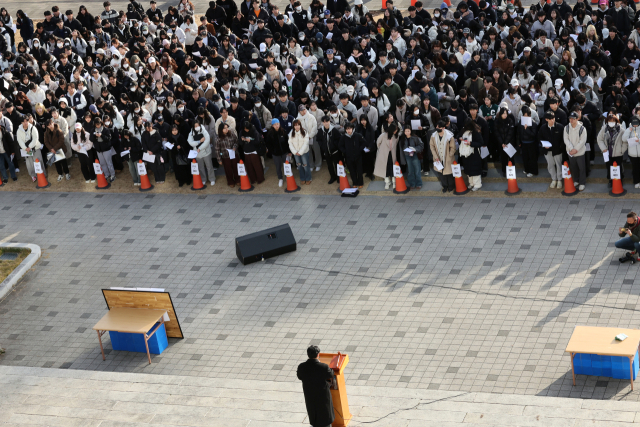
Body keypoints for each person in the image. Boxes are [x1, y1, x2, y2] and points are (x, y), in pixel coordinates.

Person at [297, 345, 335, 427]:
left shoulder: (302, 367)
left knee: (314, 416)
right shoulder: (323, 367)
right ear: (318, 355)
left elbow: (300, 377)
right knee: (325, 418)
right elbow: (331, 373)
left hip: (310, 396)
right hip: (323, 397)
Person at [538, 111, 565, 190]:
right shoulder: (543, 127)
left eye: (553, 118)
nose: (552, 120)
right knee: (550, 165)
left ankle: (559, 179)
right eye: (550, 119)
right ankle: (554, 179)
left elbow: (563, 140)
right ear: (546, 119)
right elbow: (539, 138)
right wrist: (543, 145)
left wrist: (560, 147)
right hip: (547, 151)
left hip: (558, 150)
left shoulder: (560, 127)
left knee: (559, 165)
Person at [430, 120, 456, 193]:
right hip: (438, 158)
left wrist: (449, 156)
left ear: (443, 128)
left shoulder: (449, 136)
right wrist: (435, 156)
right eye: (436, 126)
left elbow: (453, 148)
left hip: (448, 158)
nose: (437, 128)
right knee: (441, 174)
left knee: (449, 174)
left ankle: (451, 186)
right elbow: (431, 146)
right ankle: (445, 186)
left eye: (439, 127)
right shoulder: (433, 136)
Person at [17, 115, 45, 182]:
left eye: (26, 121)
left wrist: (30, 146)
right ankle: (33, 175)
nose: (25, 123)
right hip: (26, 150)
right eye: (23, 122)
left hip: (35, 147)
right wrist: (25, 148)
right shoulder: (19, 130)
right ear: (21, 122)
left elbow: (35, 138)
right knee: (29, 163)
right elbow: (19, 140)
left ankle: (43, 174)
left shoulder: (33, 128)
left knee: (38, 161)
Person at [564, 111, 588, 191]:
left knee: (581, 168)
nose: (571, 120)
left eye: (573, 119)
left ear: (577, 119)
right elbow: (566, 139)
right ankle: (576, 180)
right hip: (570, 152)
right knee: (573, 167)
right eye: (570, 118)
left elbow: (582, 141)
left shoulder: (582, 128)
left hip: (580, 152)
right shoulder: (566, 128)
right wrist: (571, 149)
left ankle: (582, 183)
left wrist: (576, 149)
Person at [458, 118, 484, 191]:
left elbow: (480, 143)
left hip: (474, 153)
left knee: (475, 170)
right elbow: (458, 136)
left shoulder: (476, 132)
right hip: (465, 154)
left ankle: (477, 184)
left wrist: (470, 143)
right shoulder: (463, 130)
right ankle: (471, 183)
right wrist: (460, 138)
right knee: (468, 170)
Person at [188, 120, 216, 186]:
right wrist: (199, 141)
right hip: (197, 153)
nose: (196, 127)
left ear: (200, 125)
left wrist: (200, 148)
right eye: (195, 126)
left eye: (197, 125)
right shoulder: (191, 132)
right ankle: (203, 179)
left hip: (206, 152)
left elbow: (207, 140)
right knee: (201, 167)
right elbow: (190, 142)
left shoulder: (204, 130)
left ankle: (212, 179)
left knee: (209, 166)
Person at [339, 122, 366, 188]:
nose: (348, 130)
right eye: (347, 129)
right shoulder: (343, 137)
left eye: (350, 128)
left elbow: (364, 142)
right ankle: (354, 183)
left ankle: (360, 183)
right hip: (349, 157)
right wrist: (345, 151)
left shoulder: (357, 135)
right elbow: (340, 146)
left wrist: (360, 150)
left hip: (358, 156)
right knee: (352, 170)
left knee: (359, 170)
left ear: (353, 128)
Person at [265, 118, 290, 187]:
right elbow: (268, 144)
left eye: (278, 124)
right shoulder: (270, 134)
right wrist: (273, 151)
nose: (277, 126)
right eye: (275, 124)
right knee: (278, 166)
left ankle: (287, 176)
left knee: (286, 165)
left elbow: (287, 142)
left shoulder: (283, 131)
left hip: (284, 152)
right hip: (276, 154)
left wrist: (288, 151)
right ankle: (280, 178)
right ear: (272, 125)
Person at [374, 123, 399, 190]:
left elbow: (396, 144)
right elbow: (378, 143)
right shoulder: (383, 135)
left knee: (392, 168)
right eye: (395, 129)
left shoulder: (396, 136)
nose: (396, 131)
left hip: (392, 154)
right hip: (383, 154)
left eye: (396, 129)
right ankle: (387, 182)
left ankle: (394, 182)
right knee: (385, 169)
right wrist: (381, 150)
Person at [216, 122, 240, 187]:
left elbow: (236, 141)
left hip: (234, 154)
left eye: (227, 127)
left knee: (236, 168)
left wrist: (234, 147)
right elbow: (217, 150)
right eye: (225, 128)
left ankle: (238, 180)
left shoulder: (232, 134)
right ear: (221, 129)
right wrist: (219, 160)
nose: (227, 129)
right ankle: (230, 181)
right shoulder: (218, 138)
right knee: (228, 170)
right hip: (225, 156)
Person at [289, 119, 311, 184]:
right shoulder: (291, 133)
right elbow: (290, 143)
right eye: (295, 125)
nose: (297, 126)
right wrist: (295, 152)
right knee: (299, 166)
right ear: (293, 126)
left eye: (298, 125)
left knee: (306, 165)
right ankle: (302, 178)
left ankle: (308, 178)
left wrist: (300, 152)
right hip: (296, 153)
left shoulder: (304, 132)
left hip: (304, 152)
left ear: (300, 125)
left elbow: (306, 143)